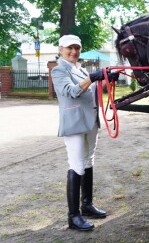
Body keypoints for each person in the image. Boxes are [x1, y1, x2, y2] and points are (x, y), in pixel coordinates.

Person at [51, 35, 119, 231]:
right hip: (74, 123)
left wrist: (105, 80)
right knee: (77, 164)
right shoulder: (58, 71)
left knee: (89, 161)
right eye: (69, 48)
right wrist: (92, 77)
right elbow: (71, 91)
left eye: (76, 48)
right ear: (61, 49)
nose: (73, 52)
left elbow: (92, 90)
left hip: (90, 121)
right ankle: (73, 217)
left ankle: (87, 205)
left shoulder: (79, 69)